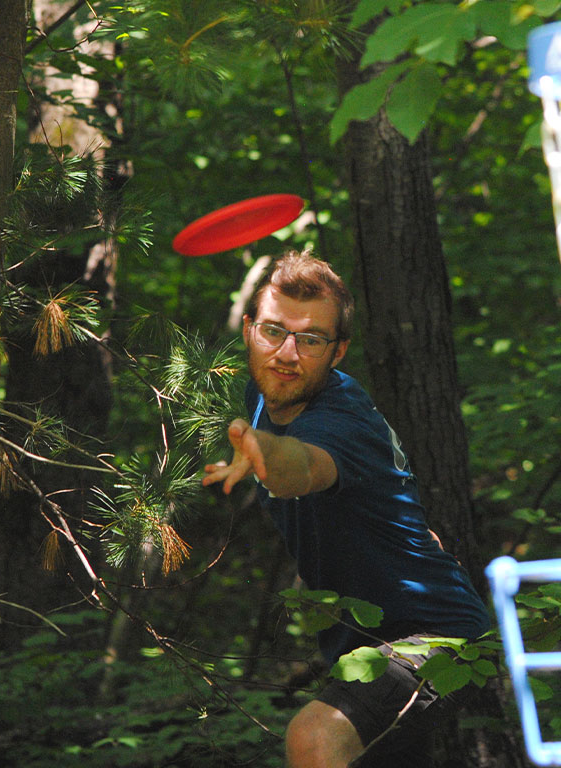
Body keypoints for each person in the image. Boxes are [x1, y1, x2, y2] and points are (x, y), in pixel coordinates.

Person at [202, 248, 491, 768]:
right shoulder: (263, 393)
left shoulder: (339, 418)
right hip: (361, 644)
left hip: (439, 637)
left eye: (310, 340)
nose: (286, 353)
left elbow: (304, 467)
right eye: (273, 331)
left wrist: (264, 453)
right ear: (249, 330)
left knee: (317, 737)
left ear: (337, 353)